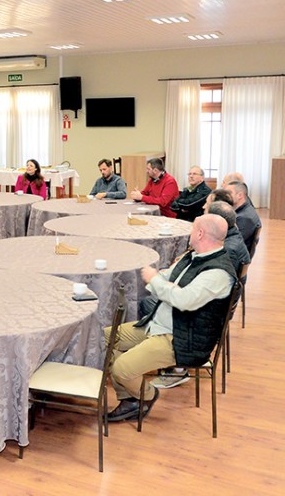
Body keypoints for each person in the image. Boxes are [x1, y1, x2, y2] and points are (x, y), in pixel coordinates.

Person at [105, 214, 236, 422]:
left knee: (121, 368)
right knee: (106, 337)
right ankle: (131, 399)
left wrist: (159, 282)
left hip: (180, 338)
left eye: (193, 229)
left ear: (200, 234)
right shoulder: (193, 256)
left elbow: (183, 299)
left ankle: (148, 395)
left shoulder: (218, 273)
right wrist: (166, 286)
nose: (190, 233)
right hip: (158, 323)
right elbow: (166, 280)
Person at [225, 181, 262, 254]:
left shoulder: (244, 218)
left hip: (234, 256)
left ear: (240, 195)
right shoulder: (245, 210)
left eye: (229, 193)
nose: (225, 196)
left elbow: (233, 242)